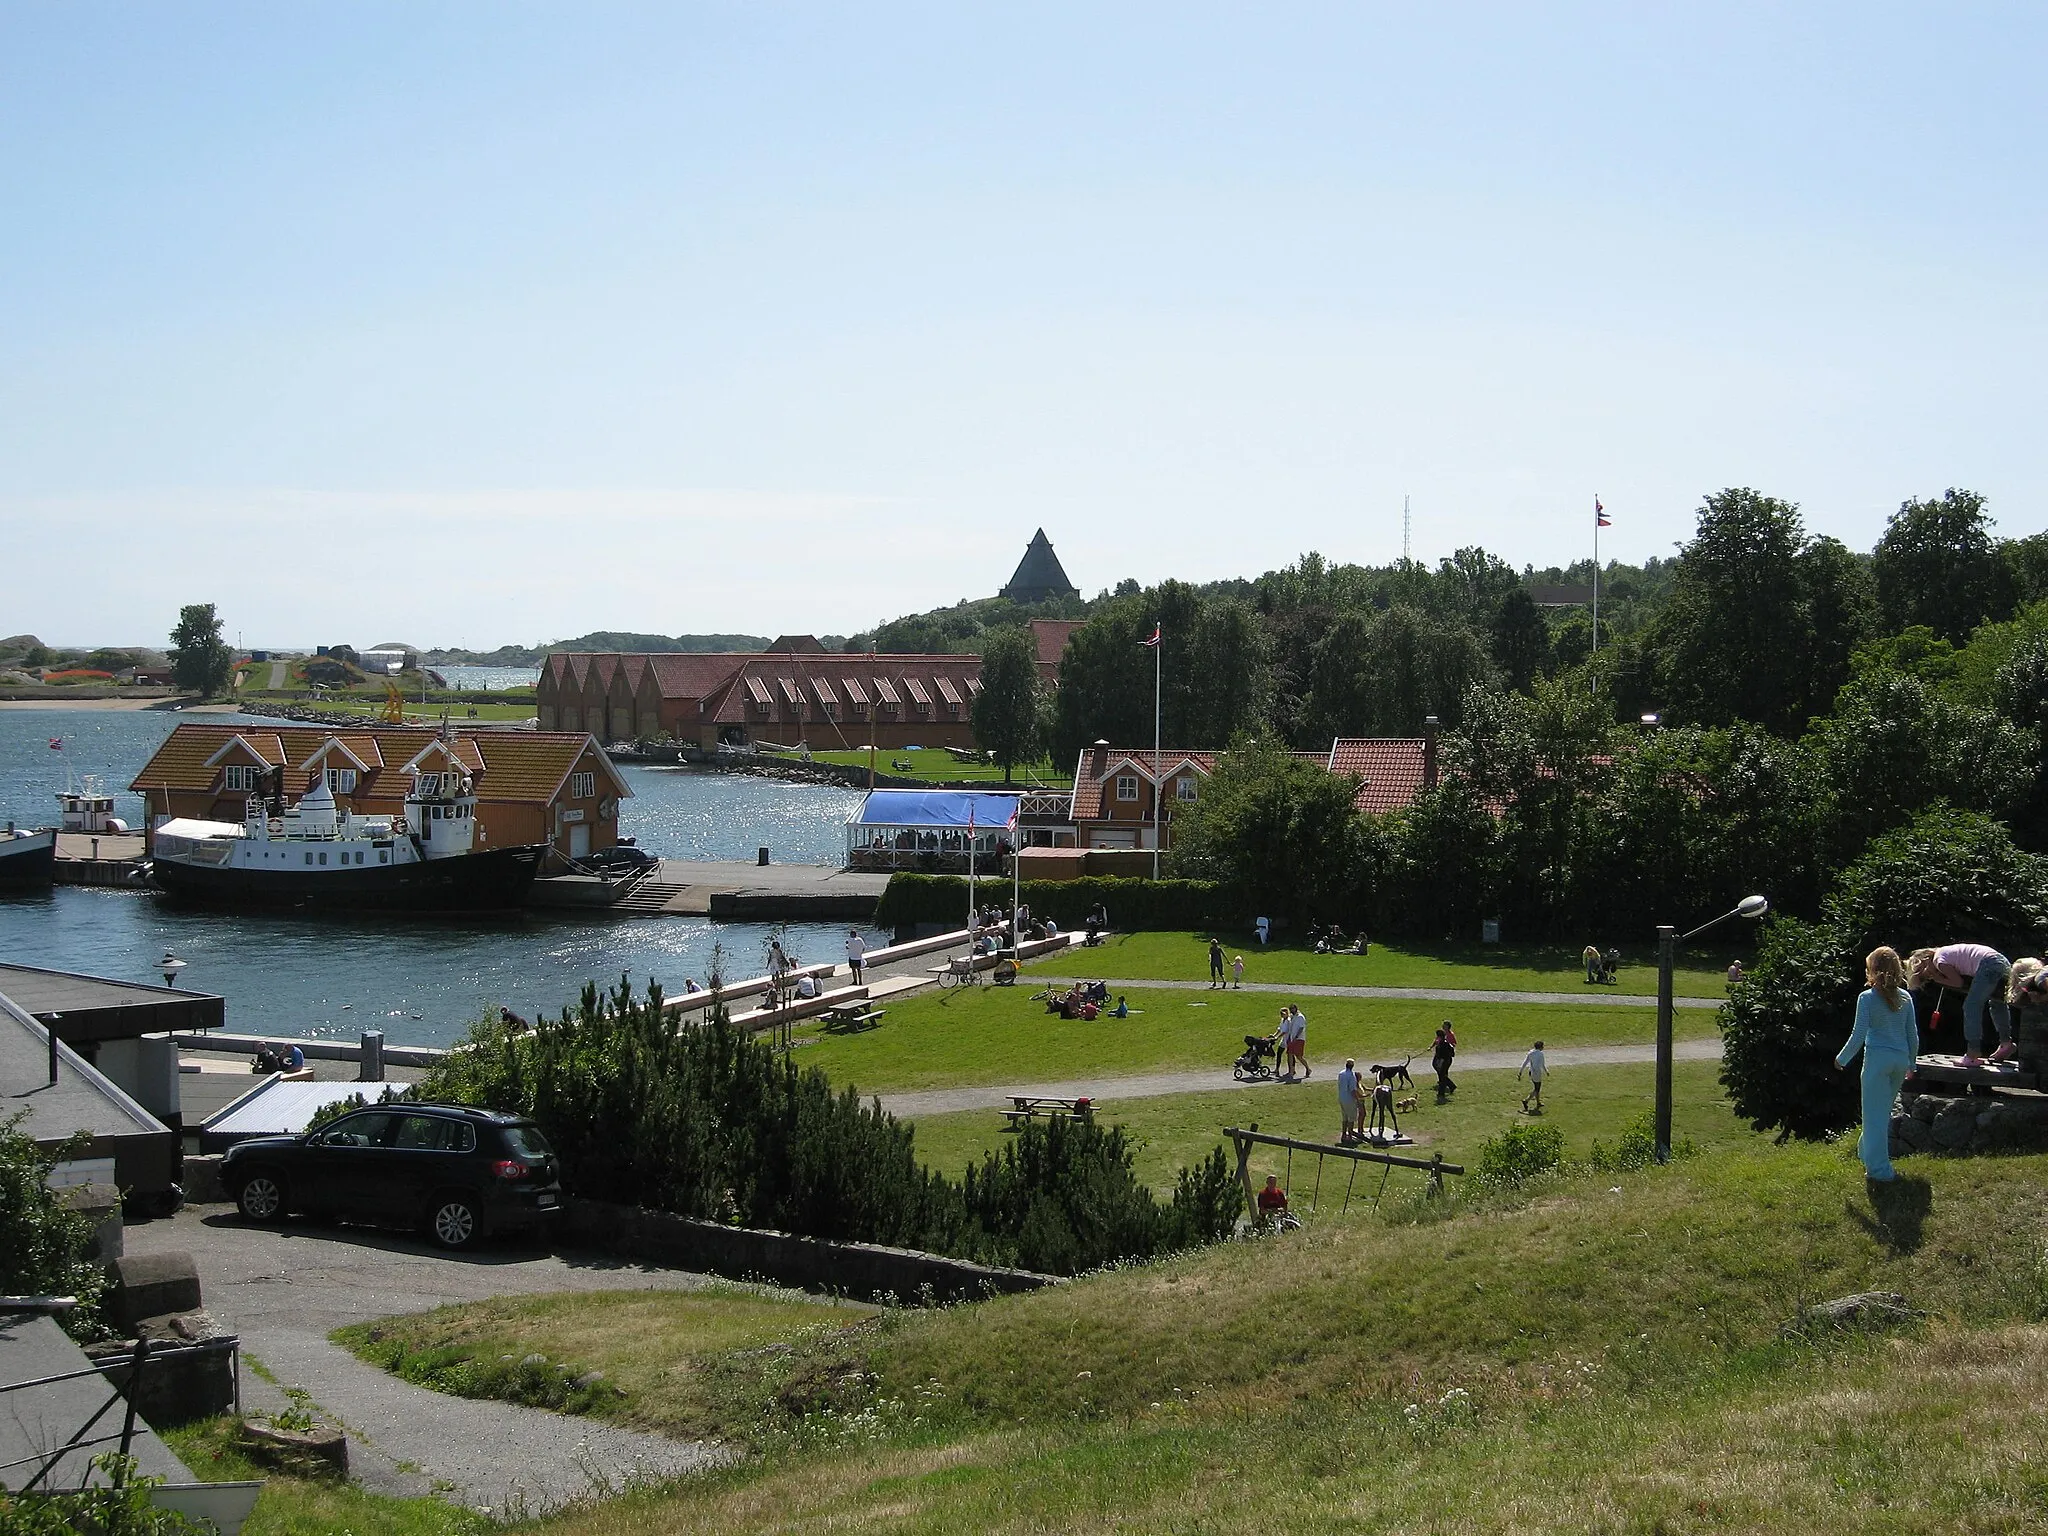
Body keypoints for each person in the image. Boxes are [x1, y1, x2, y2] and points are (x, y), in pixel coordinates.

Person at [1834, 946, 1920, 1181]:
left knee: (1873, 1118)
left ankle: (1880, 1171)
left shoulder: (1867, 998)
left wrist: (1842, 1058)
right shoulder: (1905, 997)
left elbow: (1858, 1033)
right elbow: (1912, 1034)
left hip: (1877, 1061)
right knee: (1881, 1115)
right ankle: (1865, 1153)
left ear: (1872, 970)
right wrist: (1912, 1063)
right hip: (1900, 1061)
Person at [1909, 944, 2015, 1066]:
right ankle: (2006, 1043)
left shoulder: (1939, 961)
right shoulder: (1945, 953)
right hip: (2001, 961)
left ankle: (1972, 1053)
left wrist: (1938, 979)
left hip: (1988, 964)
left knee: (1971, 1006)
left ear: (1925, 960)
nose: (1930, 976)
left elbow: (1957, 982)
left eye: (1926, 974)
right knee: (1997, 1002)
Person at [1337, 1058, 1363, 1142]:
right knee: (1351, 1118)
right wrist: (1358, 1101)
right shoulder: (1351, 1076)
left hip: (1341, 1097)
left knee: (1344, 1118)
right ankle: (1350, 1137)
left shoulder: (1341, 1073)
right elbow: (1353, 1090)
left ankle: (1344, 1135)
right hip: (1349, 1099)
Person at [1518, 1040, 1547, 1112]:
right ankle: (1526, 1100)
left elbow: (1525, 1062)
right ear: (1540, 1047)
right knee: (1537, 1089)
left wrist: (1520, 1072)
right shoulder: (1540, 1054)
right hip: (1537, 1073)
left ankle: (1538, 1102)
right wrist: (1546, 1071)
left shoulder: (1530, 1053)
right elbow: (1542, 1064)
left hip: (1531, 1072)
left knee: (1536, 1087)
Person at [1431, 1020, 1458, 1098]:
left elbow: (1445, 1054)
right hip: (1442, 1060)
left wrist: (1440, 1061)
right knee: (1442, 1075)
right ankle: (1451, 1086)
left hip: (1445, 1060)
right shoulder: (1441, 1043)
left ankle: (1441, 1093)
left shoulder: (1444, 1044)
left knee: (1442, 1076)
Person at [1287, 1004, 1310, 1081]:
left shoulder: (1300, 1017)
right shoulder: (1292, 1017)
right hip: (1291, 1038)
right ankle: (1291, 1071)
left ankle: (1307, 1068)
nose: (1292, 1010)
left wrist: (1296, 1037)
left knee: (1298, 1056)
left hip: (1299, 1039)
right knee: (1290, 1053)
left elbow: (1301, 1027)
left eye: (1293, 1009)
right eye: (1291, 1009)